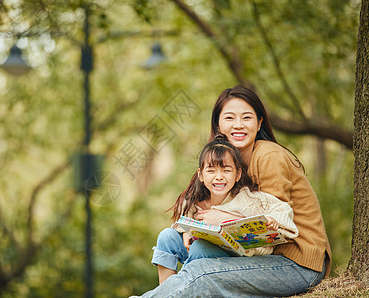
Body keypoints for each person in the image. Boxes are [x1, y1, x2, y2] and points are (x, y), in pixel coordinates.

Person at [136, 85, 331, 297]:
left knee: (202, 274)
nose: (238, 125)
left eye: (246, 118)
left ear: (259, 123)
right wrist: (193, 229)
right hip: (253, 253)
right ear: (218, 125)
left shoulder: (268, 156)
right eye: (229, 118)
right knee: (170, 239)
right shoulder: (223, 160)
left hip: (295, 263)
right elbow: (202, 208)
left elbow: (273, 233)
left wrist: (222, 218)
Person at [152, 134, 298, 284]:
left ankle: (178, 290)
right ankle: (165, 289)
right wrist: (185, 232)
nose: (219, 177)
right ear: (200, 175)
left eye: (226, 170)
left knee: (200, 247)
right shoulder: (195, 200)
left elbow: (283, 210)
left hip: (230, 259)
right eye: (211, 171)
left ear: (237, 174)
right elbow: (182, 221)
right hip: (196, 252)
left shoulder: (248, 199)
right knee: (166, 236)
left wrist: (271, 220)